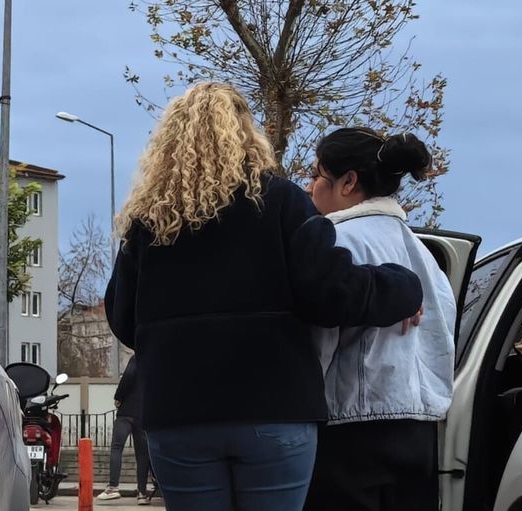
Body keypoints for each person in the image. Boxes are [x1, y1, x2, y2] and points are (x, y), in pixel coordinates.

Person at [104, 82, 424, 511]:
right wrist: (405, 286)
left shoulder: (148, 220)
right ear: (244, 134)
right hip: (276, 408)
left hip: (179, 414)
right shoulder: (281, 201)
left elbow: (123, 316)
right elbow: (332, 292)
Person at [303, 128, 457, 511]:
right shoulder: (424, 254)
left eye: (316, 174)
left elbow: (317, 341)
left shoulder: (334, 242)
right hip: (420, 433)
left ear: (348, 182)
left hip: (348, 430)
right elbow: (442, 337)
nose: (308, 186)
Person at [97, 355, 151, 505]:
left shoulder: (137, 358)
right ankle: (142, 493)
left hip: (126, 412)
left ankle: (113, 487)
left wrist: (118, 397)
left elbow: (128, 376)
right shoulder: (154, 360)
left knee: (117, 447)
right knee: (142, 454)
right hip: (142, 414)